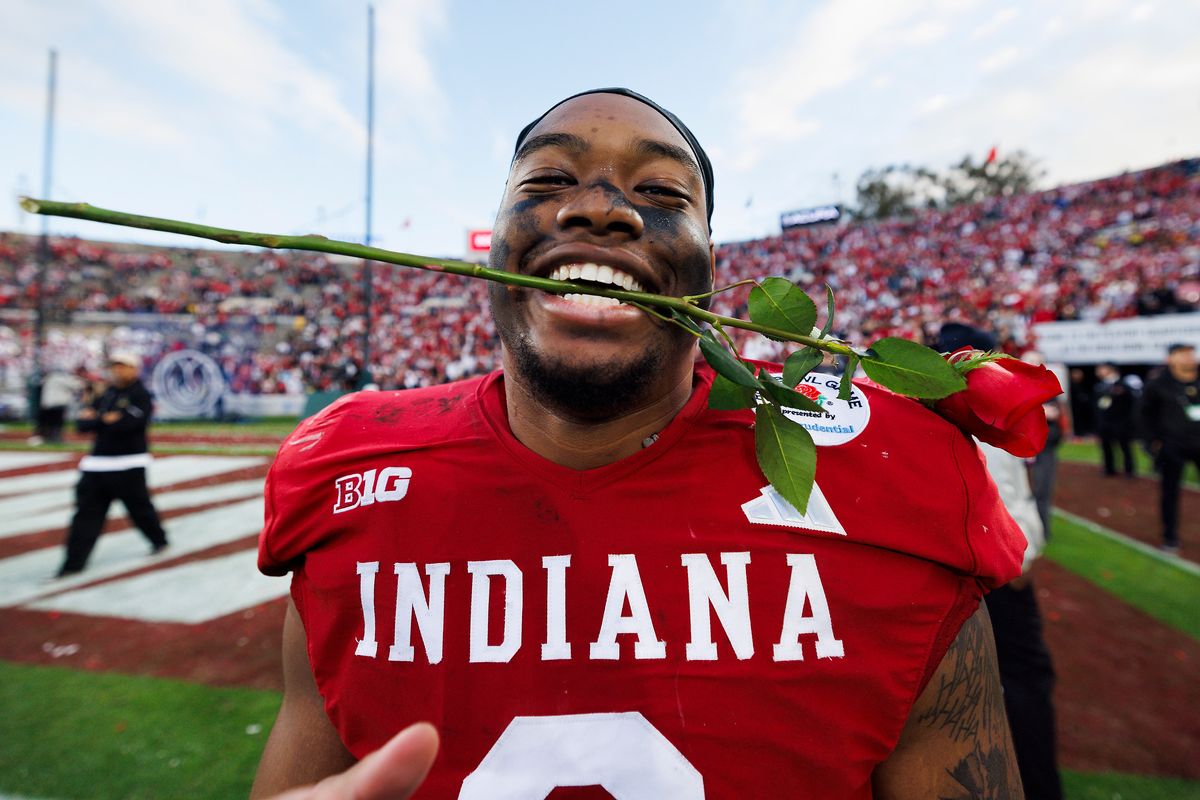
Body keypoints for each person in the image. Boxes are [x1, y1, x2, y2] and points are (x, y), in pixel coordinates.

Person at [252, 89, 1027, 798]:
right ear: (491, 249)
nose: (598, 209)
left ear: (713, 273)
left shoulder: (889, 475)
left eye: (660, 192)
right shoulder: (352, 468)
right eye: (547, 181)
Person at [56, 351, 169, 577]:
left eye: (122, 366)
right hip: (97, 464)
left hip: (128, 465)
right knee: (85, 516)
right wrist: (104, 420)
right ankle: (72, 564)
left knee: (140, 510)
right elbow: (82, 425)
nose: (117, 370)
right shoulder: (105, 394)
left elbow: (128, 424)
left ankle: (159, 540)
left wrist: (99, 420)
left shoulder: (140, 395)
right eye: (114, 366)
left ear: (133, 369)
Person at [1141, 342, 1200, 554]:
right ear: (1171, 358)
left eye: (1190, 353)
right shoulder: (1157, 385)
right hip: (1172, 445)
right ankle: (1170, 536)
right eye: (1183, 354)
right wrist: (1152, 443)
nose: (1189, 357)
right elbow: (1145, 416)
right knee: (1170, 492)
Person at [1092, 362, 1140, 478]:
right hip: (1105, 423)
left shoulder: (1124, 385)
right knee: (1106, 446)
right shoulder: (1099, 386)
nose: (1098, 371)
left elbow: (1132, 403)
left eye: (1101, 369)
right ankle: (1109, 468)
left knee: (1125, 447)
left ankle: (1129, 470)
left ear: (1111, 370)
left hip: (1121, 422)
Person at [38, 366, 85, 444]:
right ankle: (56, 438)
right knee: (58, 423)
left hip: (48, 405)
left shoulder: (49, 378)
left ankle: (48, 438)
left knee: (50, 423)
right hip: (58, 404)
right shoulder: (60, 378)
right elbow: (77, 385)